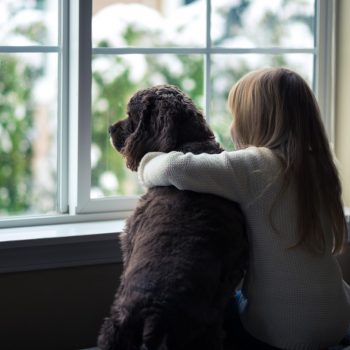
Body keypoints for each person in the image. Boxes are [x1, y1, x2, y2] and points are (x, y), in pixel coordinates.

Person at [137, 67, 350, 349]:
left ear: (256, 120)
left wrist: (146, 163)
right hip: (336, 318)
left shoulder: (255, 166)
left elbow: (177, 168)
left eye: (236, 116)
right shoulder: (321, 165)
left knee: (220, 304)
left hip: (283, 333)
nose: (231, 126)